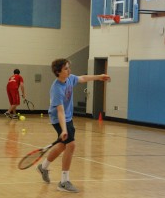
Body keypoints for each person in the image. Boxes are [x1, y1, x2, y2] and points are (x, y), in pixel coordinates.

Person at [37, 58, 110, 193]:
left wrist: (99, 77)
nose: (69, 70)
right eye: (66, 68)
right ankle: (64, 182)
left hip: (68, 117)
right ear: (58, 72)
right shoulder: (56, 89)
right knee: (71, 145)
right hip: (58, 119)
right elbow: (60, 111)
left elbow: (82, 78)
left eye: (69, 67)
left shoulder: (70, 78)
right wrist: (63, 129)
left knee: (63, 145)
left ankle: (44, 166)